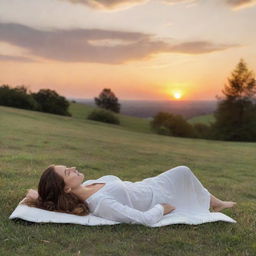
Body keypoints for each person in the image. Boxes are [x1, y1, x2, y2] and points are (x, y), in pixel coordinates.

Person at [23, 165, 236, 226]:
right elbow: (143, 219)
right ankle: (214, 203)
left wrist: (39, 197)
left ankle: (214, 202)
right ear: (67, 189)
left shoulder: (87, 184)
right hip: (155, 197)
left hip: (149, 185)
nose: (73, 167)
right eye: (68, 172)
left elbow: (49, 193)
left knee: (183, 172)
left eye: (68, 166)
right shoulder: (100, 203)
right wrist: (163, 208)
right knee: (183, 172)